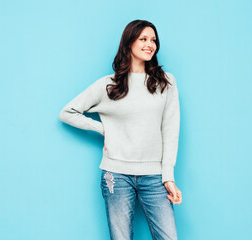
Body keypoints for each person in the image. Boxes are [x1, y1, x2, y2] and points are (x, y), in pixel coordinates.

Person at [59, 19, 182, 240]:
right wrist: (103, 129)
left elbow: (170, 131)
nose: (149, 45)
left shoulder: (166, 82)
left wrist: (168, 177)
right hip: (115, 175)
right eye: (143, 39)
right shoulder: (110, 85)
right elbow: (67, 112)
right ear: (128, 43)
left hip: (154, 176)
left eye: (153, 40)